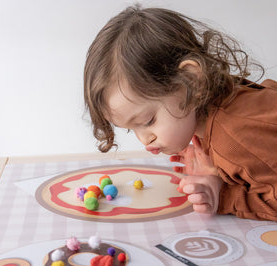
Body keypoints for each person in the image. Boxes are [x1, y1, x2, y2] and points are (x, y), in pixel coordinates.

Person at [83, 4, 277, 221]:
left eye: (148, 121)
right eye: (131, 130)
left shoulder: (235, 135)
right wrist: (218, 171)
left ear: (191, 81)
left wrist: (224, 196)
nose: (144, 139)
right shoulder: (220, 109)